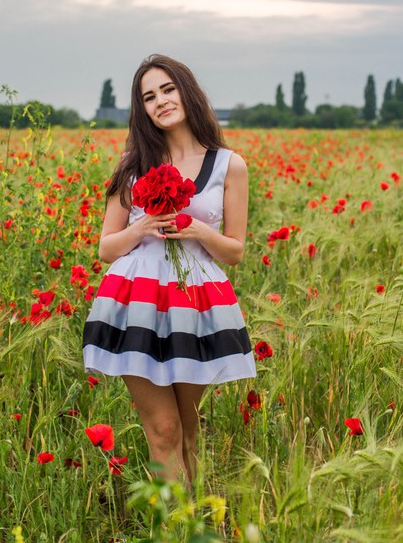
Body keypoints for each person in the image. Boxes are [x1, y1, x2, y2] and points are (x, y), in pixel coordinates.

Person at [82, 54, 256, 486]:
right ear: (141, 109)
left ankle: (190, 524)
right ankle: (175, 528)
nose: (160, 101)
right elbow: (106, 248)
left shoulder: (228, 165)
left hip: (194, 306)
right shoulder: (131, 164)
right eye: (148, 96)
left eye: (167, 89)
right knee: (163, 429)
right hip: (136, 303)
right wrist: (142, 225)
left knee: (189, 428)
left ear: (186, 91)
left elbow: (234, 252)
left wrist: (198, 230)